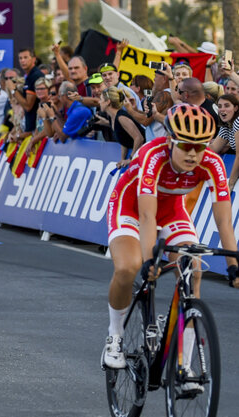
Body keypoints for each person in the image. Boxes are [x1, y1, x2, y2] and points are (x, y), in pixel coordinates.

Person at [103, 104, 239, 377]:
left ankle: (183, 364)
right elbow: (146, 215)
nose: (193, 154)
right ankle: (114, 337)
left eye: (200, 147)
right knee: (129, 267)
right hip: (131, 208)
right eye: (185, 146)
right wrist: (150, 259)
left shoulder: (211, 163)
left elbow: (224, 221)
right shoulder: (153, 156)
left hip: (172, 210)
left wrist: (233, 265)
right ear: (169, 140)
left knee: (193, 269)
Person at [100, 87, 145, 167]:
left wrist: (131, 158)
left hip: (144, 153)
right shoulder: (111, 117)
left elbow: (139, 138)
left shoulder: (121, 117)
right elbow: (124, 139)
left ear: (108, 102)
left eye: (101, 99)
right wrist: (122, 159)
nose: (99, 102)